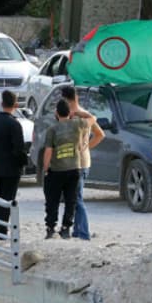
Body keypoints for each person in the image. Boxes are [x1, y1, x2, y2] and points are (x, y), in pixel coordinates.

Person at [41, 99, 95, 239]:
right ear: (69, 113)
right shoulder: (77, 124)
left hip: (56, 170)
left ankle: (50, 228)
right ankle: (65, 228)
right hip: (74, 169)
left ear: (56, 113)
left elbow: (48, 151)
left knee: (52, 201)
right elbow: (92, 118)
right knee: (70, 201)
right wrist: (77, 112)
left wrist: (45, 169)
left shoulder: (52, 130)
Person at [61, 86, 106, 240]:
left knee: (76, 199)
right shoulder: (84, 114)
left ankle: (84, 232)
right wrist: (87, 148)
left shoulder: (69, 116)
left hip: (74, 163)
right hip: (85, 161)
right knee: (75, 197)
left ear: (64, 99)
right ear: (76, 97)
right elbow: (100, 135)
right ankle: (77, 230)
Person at [0, 90, 27, 238]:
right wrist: (23, 162)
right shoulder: (14, 124)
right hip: (12, 168)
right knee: (8, 199)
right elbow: (19, 148)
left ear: (1, 103)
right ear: (15, 105)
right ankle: (2, 231)